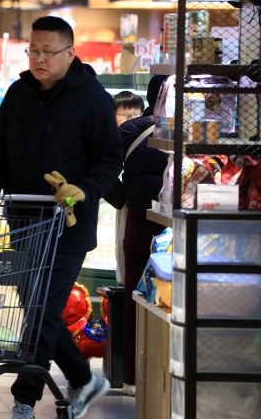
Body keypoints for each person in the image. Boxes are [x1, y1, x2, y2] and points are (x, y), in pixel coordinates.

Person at [0, 16, 122, 419]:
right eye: (32, 50)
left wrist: (84, 189)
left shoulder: (93, 98)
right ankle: (83, 377)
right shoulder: (19, 93)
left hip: (69, 225)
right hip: (23, 220)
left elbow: (110, 158)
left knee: (41, 310)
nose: (37, 58)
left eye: (46, 52)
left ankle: (24, 397)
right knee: (37, 307)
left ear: (69, 53)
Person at [104, 76, 171, 397]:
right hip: (173, 226)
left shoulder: (133, 129)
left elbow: (98, 166)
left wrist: (125, 196)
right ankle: (139, 375)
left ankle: (135, 375)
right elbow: (99, 165)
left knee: (138, 296)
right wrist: (122, 199)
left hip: (144, 222)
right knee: (149, 298)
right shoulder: (138, 129)